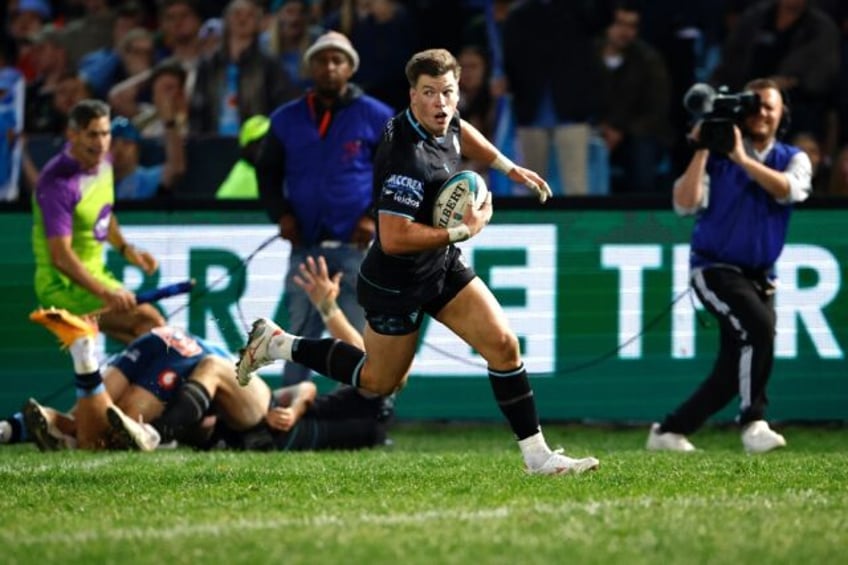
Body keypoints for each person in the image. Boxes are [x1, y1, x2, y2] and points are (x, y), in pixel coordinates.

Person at [238, 48, 600, 476]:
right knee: (378, 381)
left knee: (504, 346)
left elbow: (463, 132)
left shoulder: (445, 120)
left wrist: (509, 167)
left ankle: (537, 457)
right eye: (429, 93)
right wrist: (464, 231)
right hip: (396, 281)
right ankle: (277, 344)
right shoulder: (405, 157)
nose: (440, 103)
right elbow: (392, 239)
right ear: (412, 96)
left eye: (448, 92)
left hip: (440, 265)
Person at [17, 255, 387, 453]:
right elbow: (306, 390)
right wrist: (297, 406)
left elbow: (362, 363)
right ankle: (54, 429)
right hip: (243, 419)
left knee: (209, 365)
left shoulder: (372, 411)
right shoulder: (364, 407)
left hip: (253, 429)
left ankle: (149, 433)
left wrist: (328, 310)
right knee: (120, 416)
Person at [647, 78, 812, 454]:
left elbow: (788, 190)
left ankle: (669, 431)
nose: (762, 113)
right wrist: (705, 147)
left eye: (770, 106)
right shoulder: (716, 157)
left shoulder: (792, 156)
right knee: (760, 328)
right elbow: (683, 204)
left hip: (760, 276)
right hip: (713, 267)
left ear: (782, 114)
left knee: (732, 368)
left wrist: (741, 157)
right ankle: (754, 421)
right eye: (755, 105)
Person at [255, 30, 394, 385]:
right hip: (306, 245)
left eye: (337, 60)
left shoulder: (378, 116)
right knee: (298, 332)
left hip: (358, 247)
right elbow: (267, 171)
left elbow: (394, 174)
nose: (329, 67)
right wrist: (280, 214)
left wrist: (372, 217)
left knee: (364, 336)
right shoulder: (286, 118)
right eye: (321, 60)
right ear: (310, 67)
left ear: (350, 68)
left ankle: (368, 415)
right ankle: (287, 418)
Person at [32, 99, 165, 344]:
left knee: (140, 342)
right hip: (62, 287)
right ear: (72, 135)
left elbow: (103, 214)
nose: (102, 143)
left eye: (105, 134)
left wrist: (126, 250)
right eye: (92, 135)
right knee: (150, 325)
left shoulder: (104, 162)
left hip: (94, 277)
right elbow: (60, 257)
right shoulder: (57, 183)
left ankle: (122, 383)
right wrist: (106, 294)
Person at [110, 114, 186, 200]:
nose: (119, 149)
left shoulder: (147, 178)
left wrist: (169, 122)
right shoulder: (97, 181)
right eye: (112, 144)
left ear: (137, 149)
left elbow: (175, 168)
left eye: (126, 143)